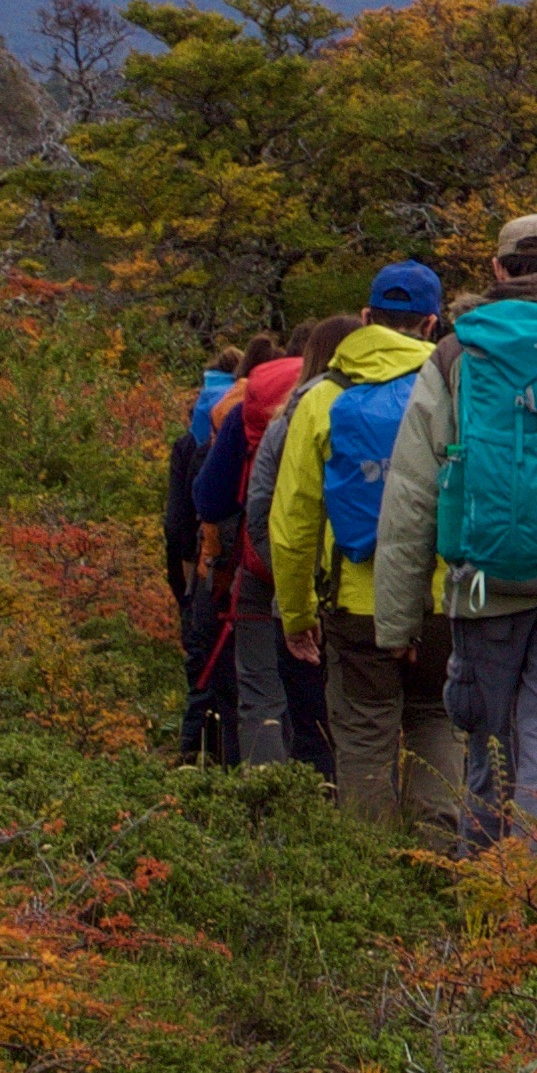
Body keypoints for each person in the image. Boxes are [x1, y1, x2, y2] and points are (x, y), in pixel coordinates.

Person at [375, 214, 537, 846]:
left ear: (497, 269)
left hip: (482, 587)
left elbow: (411, 492)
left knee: (490, 751)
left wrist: (397, 620)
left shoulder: (457, 350)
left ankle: (486, 905)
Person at [270, 267, 460, 835]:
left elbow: (292, 524)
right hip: (443, 600)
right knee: (438, 721)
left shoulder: (322, 397)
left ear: (367, 318)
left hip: (357, 604)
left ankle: (371, 871)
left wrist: (298, 614)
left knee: (363, 733)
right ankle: (436, 859)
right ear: (431, 324)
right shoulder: (457, 391)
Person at [191, 317, 347, 772]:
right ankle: (344, 806)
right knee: (340, 697)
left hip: (263, 569)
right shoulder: (381, 405)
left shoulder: (259, 411)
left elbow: (212, 497)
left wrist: (276, 559)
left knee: (261, 693)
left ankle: (267, 797)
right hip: (351, 573)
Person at [165, 346, 242, 761]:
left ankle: (192, 771)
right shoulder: (255, 427)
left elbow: (176, 527)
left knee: (203, 678)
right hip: (247, 573)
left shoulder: (189, 443)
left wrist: (185, 590)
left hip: (205, 575)